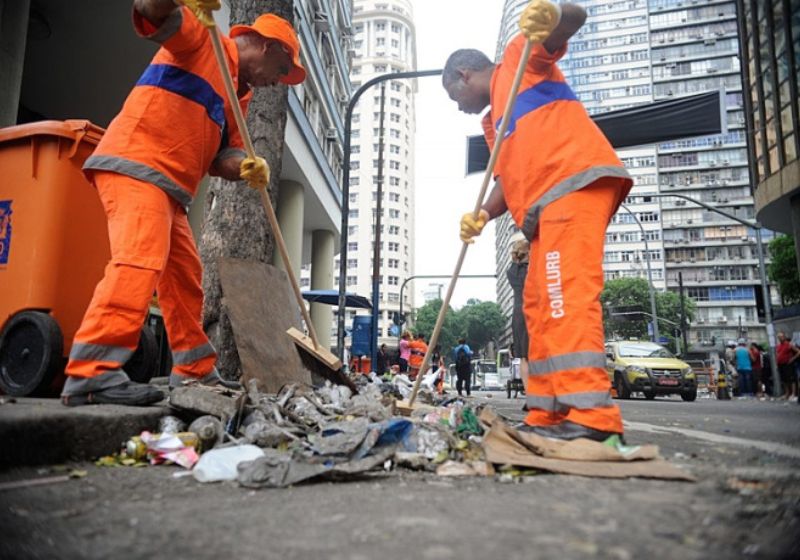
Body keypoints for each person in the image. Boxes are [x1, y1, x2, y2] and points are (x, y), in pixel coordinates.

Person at [60, 0, 306, 406]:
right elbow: (152, 12)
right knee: (139, 261)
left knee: (184, 280)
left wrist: (246, 166)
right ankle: (93, 372)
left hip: (168, 186)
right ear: (268, 47)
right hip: (137, 162)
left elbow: (221, 159)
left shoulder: (238, 97)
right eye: (281, 71)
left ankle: (193, 370)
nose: (277, 82)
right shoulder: (205, 40)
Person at [444, 0, 632, 441]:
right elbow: (509, 180)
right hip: (546, 208)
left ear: (464, 76)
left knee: (565, 295)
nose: (458, 108)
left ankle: (592, 419)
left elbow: (572, 19)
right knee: (539, 307)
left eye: (454, 98)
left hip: (572, 184)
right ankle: (547, 412)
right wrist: (483, 215)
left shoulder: (517, 57)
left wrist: (552, 13)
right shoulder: (497, 117)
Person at [507, 231, 530, 396]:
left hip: (518, 313)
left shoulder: (511, 272)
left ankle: (531, 395)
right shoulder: (535, 269)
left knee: (523, 357)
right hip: (535, 310)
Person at [776, 331, 800, 400]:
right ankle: (787, 393)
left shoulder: (789, 344)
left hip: (788, 364)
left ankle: (793, 393)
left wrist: (792, 359)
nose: (780, 338)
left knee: (791, 379)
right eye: (779, 337)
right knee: (784, 380)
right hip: (781, 364)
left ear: (784, 337)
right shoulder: (779, 346)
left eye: (781, 337)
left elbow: (798, 352)